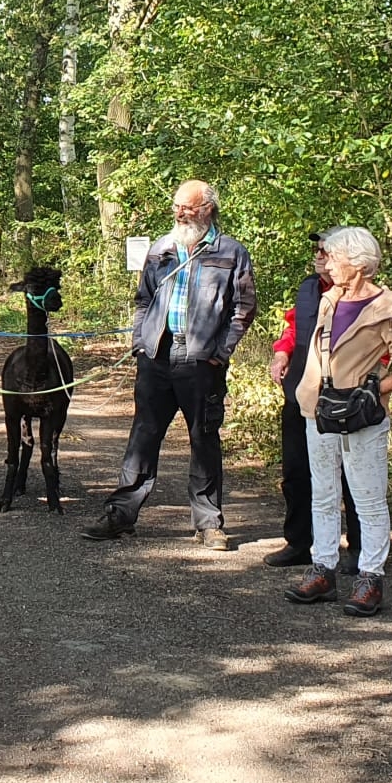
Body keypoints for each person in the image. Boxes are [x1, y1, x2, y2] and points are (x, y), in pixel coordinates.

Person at [84, 180, 256, 548]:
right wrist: (139, 343)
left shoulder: (231, 252)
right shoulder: (161, 249)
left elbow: (243, 309)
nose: (180, 213)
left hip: (201, 363)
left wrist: (219, 352)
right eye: (177, 206)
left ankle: (209, 523)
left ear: (208, 209)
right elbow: (143, 299)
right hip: (157, 358)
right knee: (143, 436)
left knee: (203, 439)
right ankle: (121, 514)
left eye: (188, 208)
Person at [282, 227, 392, 616]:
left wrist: (375, 390)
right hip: (318, 408)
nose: (327, 263)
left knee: (368, 499)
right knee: (322, 493)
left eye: (334, 258)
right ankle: (323, 570)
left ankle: (370, 578)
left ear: (359, 264)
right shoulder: (329, 298)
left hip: (361, 415)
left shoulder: (390, 308)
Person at [265, 234, 361, 569]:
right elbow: (294, 327)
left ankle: (359, 549)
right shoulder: (308, 289)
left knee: (351, 475)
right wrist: (281, 353)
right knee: (296, 470)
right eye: (317, 251)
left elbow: (386, 348)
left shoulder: (366, 294)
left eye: (326, 252)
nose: (319, 257)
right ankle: (299, 542)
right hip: (301, 393)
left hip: (348, 397)